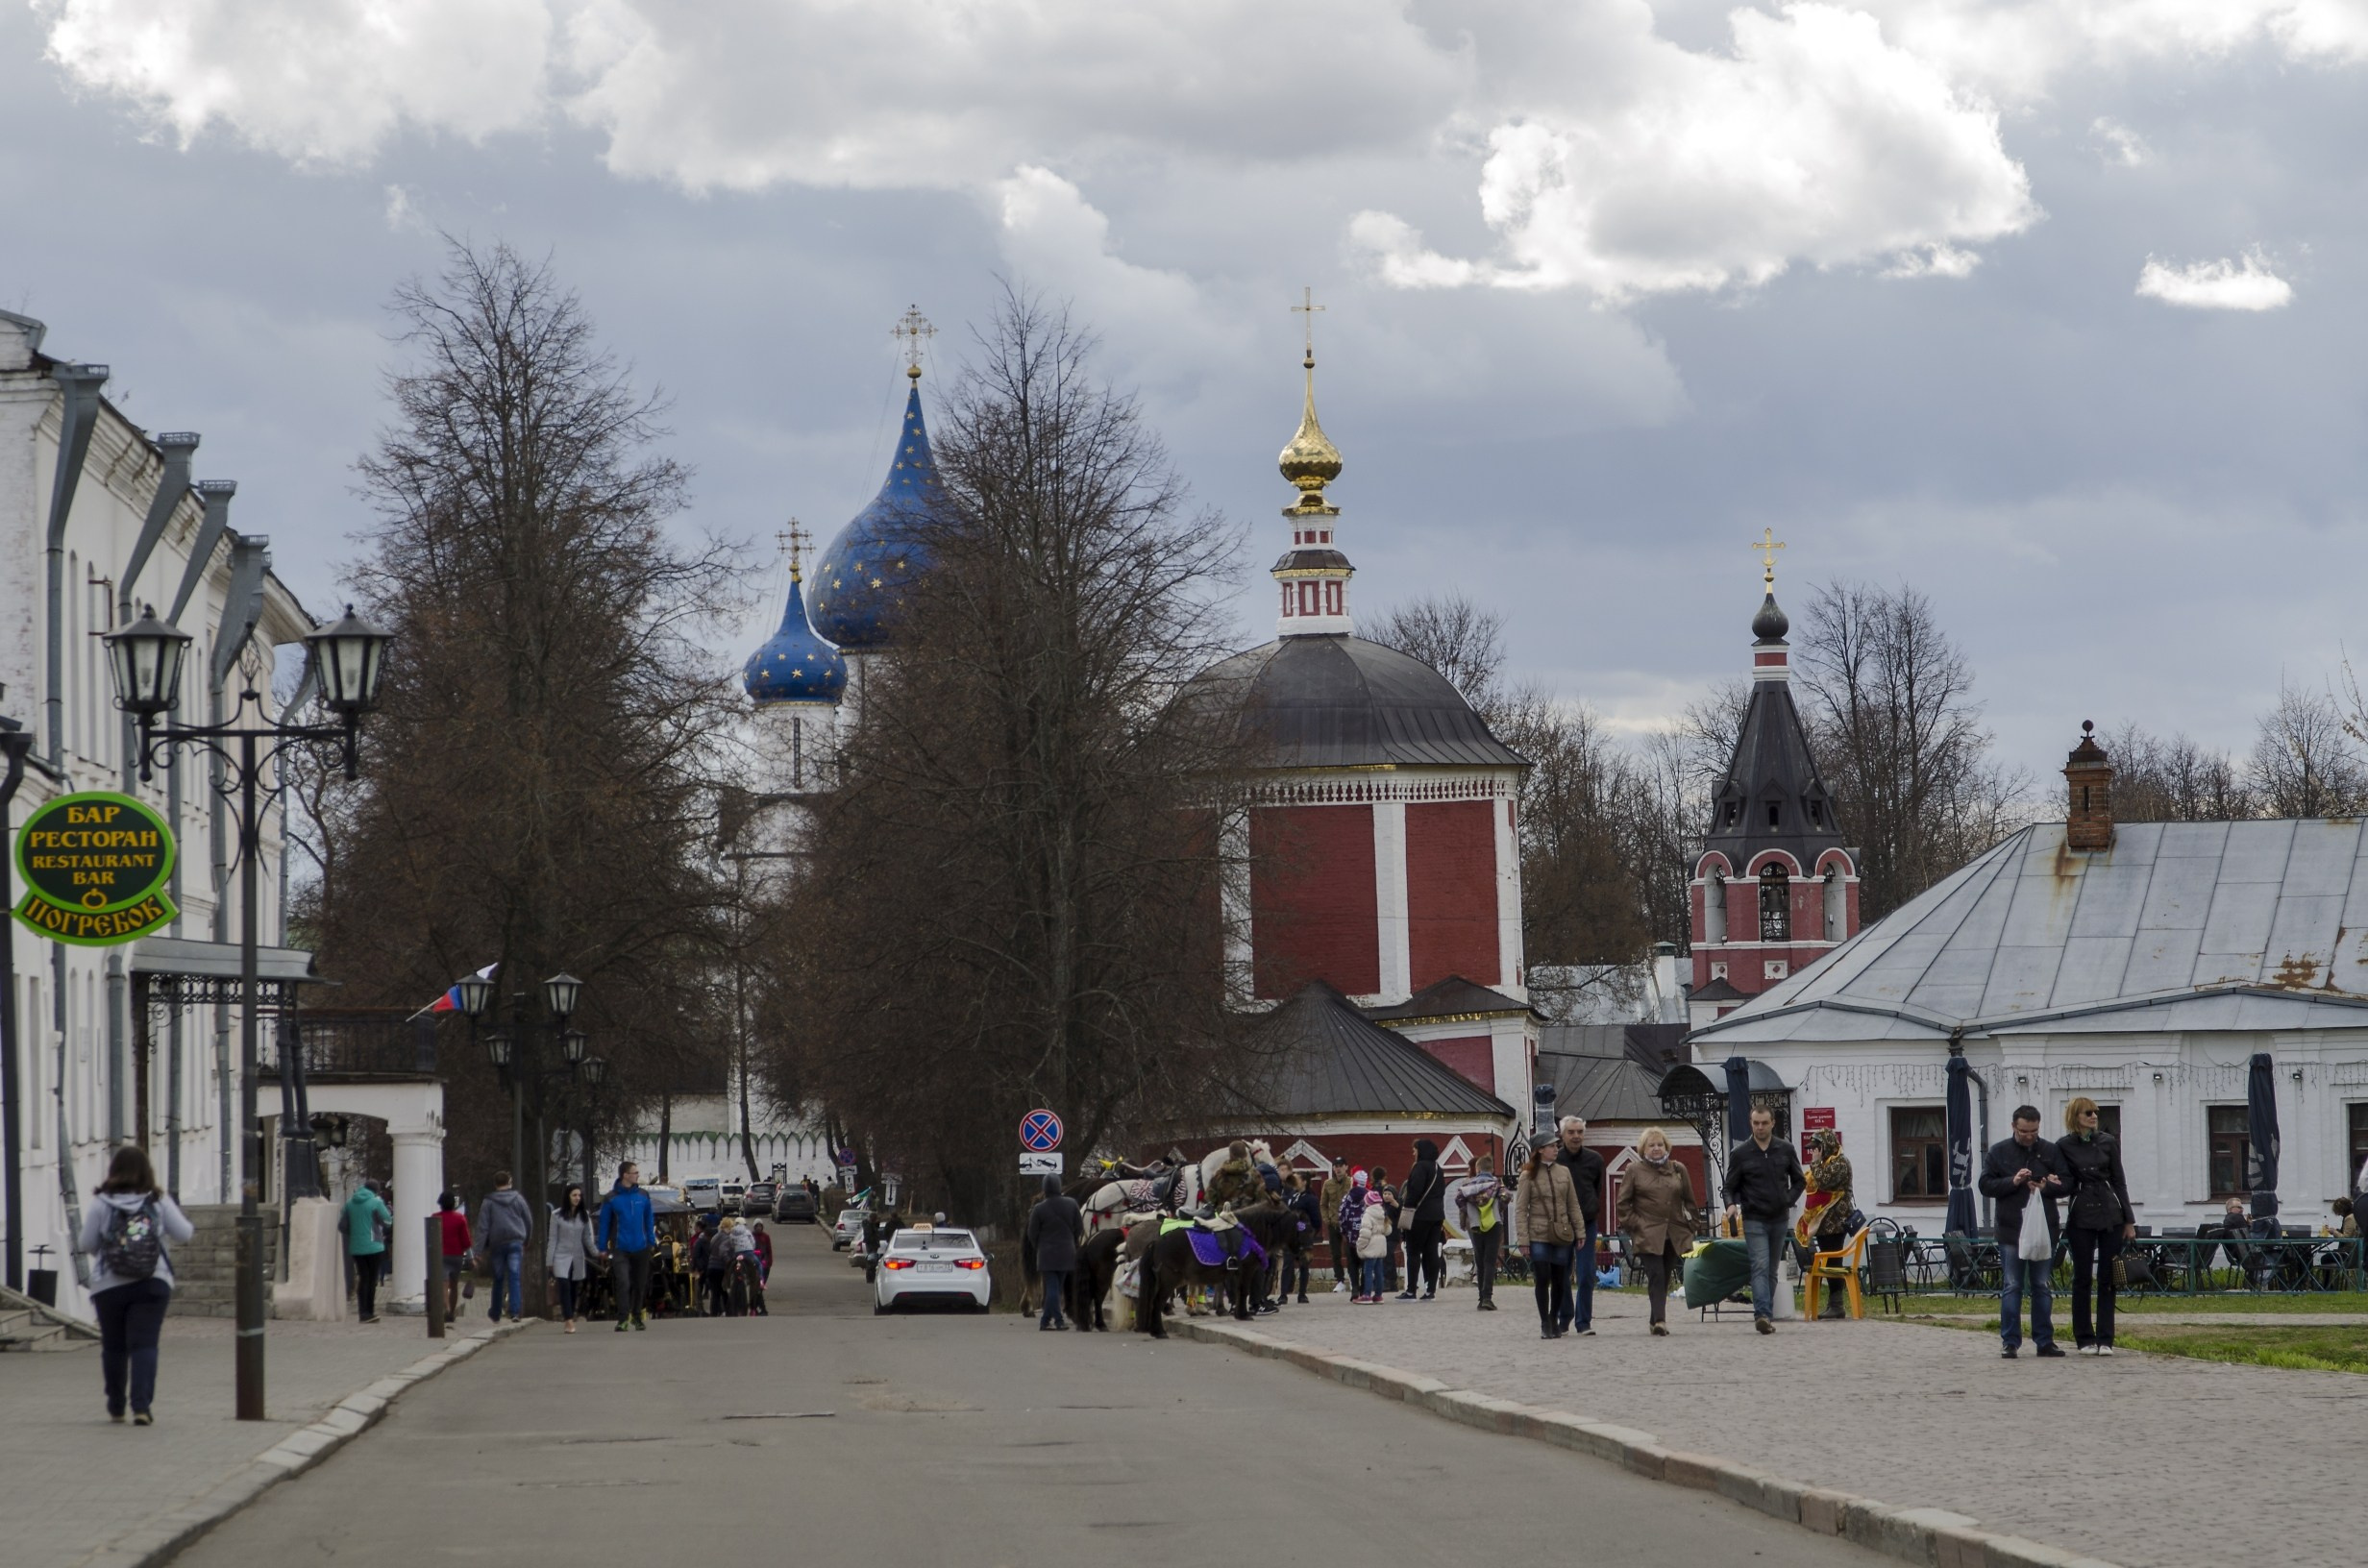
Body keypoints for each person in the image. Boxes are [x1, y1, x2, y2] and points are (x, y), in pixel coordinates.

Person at [81, 1145, 195, 1425]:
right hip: (152, 1283)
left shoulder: (101, 1203)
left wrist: (113, 1255)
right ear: (147, 1171)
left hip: (109, 1285)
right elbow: (185, 1233)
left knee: (114, 1346)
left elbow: (86, 1243)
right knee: (145, 1345)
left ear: (114, 1171)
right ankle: (141, 1407)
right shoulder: (158, 1201)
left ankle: (116, 1406)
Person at [1980, 1105, 2069, 1359]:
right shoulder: (1998, 1152)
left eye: (2033, 1131)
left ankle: (2044, 1341)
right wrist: (2014, 1181)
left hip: (2044, 1228)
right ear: (2013, 1127)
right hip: (2011, 1229)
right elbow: (1985, 1185)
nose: (2029, 1136)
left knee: (2041, 1285)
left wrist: (2046, 1186)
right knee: (2012, 1285)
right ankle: (2010, 1341)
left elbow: (2067, 1183)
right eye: (2023, 1131)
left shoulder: (2051, 1150)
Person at [2057, 1096, 2135, 1357]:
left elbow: (2119, 1180)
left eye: (2095, 1112)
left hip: (2110, 1212)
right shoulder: (2064, 1145)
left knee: (2108, 1277)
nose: (2093, 1116)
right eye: (2088, 1112)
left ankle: (2106, 1338)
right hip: (2081, 1214)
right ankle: (2084, 1338)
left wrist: (2129, 1220)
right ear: (2075, 1116)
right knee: (2081, 1278)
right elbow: (2065, 1182)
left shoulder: (2108, 1142)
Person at [1721, 1106, 1805, 1335]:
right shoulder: (1740, 1153)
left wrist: (1788, 1199)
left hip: (1779, 1218)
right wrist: (1730, 1205)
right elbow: (1729, 1187)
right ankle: (1763, 1315)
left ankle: (1765, 1312)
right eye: (1756, 1123)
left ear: (1772, 1123)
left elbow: (1800, 1181)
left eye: (1764, 1123)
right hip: (1754, 1218)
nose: (1760, 1127)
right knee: (1759, 1265)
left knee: (1771, 1270)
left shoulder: (1785, 1149)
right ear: (1751, 1123)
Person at [1616, 1128, 1697, 1336]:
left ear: (1666, 1147)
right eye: (1651, 1145)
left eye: (1660, 1145)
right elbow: (1623, 1204)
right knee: (1656, 1275)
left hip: (1673, 1231)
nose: (1656, 1149)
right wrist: (1636, 1224)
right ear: (1644, 1148)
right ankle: (1661, 1320)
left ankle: (1654, 1320)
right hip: (1647, 1232)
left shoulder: (1678, 1169)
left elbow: (1689, 1199)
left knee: (1666, 1273)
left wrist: (1692, 1224)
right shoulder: (1634, 1171)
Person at [1517, 1139, 1583, 1339]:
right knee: (1542, 1276)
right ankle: (1544, 1321)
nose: (1556, 1149)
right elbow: (1520, 1209)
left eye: (1556, 1146)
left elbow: (1573, 1204)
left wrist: (1580, 1231)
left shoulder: (1564, 1172)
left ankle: (1554, 1317)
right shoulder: (1528, 1175)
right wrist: (1523, 1239)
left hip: (1561, 1231)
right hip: (1538, 1233)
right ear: (1540, 1150)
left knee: (1559, 1278)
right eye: (1551, 1146)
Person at [1555, 1117, 1607, 1334]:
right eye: (1571, 1132)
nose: (1576, 1136)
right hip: (1562, 1224)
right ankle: (1564, 1315)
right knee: (1561, 1272)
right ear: (1562, 1135)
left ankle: (1583, 1321)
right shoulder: (1555, 1160)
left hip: (1586, 1222)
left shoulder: (1595, 1159)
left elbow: (1597, 1188)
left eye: (1579, 1132)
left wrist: (1590, 1207)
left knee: (1586, 1272)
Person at [598, 1161, 656, 1332]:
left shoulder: (643, 1195)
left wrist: (651, 1241)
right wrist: (602, 1247)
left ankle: (636, 1316)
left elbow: (649, 1219)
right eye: (635, 1172)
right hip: (620, 1247)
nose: (638, 1175)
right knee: (623, 1282)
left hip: (641, 1246)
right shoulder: (611, 1198)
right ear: (625, 1175)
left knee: (640, 1283)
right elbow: (604, 1224)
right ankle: (622, 1318)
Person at [1024, 1172, 1085, 1331]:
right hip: (1067, 1252)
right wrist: (1071, 1241)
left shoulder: (1039, 1208)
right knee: (1056, 1288)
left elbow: (1032, 1233)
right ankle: (1053, 1321)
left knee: (1052, 1287)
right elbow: (1079, 1228)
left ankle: (1051, 1321)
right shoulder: (1071, 1204)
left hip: (1046, 1253)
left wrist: (1039, 1246)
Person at [474, 1172, 532, 1324]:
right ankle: (514, 1312)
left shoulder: (488, 1202)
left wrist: (478, 1251)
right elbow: (528, 1219)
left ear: (495, 1184)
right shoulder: (518, 1199)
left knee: (498, 1278)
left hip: (497, 1244)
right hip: (515, 1241)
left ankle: (495, 1312)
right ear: (510, 1182)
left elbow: (483, 1227)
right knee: (514, 1276)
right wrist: (527, 1239)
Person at [1450, 1153, 1505, 1311]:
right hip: (1494, 1223)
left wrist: (1467, 1210)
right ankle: (1487, 1297)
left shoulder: (1468, 1186)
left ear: (1477, 1169)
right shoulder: (1496, 1184)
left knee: (1480, 1261)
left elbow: (1458, 1199)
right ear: (1492, 1169)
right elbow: (1506, 1197)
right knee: (1490, 1261)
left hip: (1475, 1224)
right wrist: (1498, 1208)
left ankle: (1481, 1298)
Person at [547, 1184, 602, 1334]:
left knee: (572, 1288)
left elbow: (588, 1239)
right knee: (563, 1285)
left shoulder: (584, 1216)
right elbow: (552, 1239)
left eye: (579, 1195)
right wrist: (549, 1261)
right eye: (574, 1195)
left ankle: (570, 1313)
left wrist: (597, 1253)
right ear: (567, 1197)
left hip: (577, 1257)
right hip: (560, 1255)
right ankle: (568, 1320)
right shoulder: (556, 1215)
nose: (577, 1198)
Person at [1397, 1138, 1447, 1301]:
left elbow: (1414, 1190)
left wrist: (1407, 1206)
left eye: (1415, 1149)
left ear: (1421, 1150)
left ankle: (1411, 1290)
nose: (1413, 1152)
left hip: (1419, 1215)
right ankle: (1430, 1290)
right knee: (1431, 1252)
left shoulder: (1420, 1167)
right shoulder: (1437, 1168)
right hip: (1437, 1216)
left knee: (1413, 1252)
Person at [342, 1179, 393, 1324]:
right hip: (374, 1245)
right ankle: (369, 1312)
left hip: (356, 1247)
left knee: (363, 1277)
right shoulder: (376, 1203)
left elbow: (342, 1225)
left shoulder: (350, 1204)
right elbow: (388, 1221)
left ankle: (361, 1311)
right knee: (372, 1279)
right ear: (376, 1190)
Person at [1284, 1170, 1323, 1305]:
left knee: (1303, 1264)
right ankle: (1283, 1294)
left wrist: (1309, 1232)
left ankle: (1302, 1294)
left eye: (1296, 1180)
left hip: (1303, 1235)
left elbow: (1316, 1220)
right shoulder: (1292, 1196)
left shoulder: (1310, 1198)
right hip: (1289, 1235)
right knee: (1287, 1264)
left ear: (1304, 1182)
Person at [435, 1191, 472, 1320]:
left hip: (440, 1255)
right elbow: (466, 1241)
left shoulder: (435, 1218)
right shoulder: (460, 1218)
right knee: (454, 1284)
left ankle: (447, 1309)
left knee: (443, 1284)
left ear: (440, 1203)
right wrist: (470, 1258)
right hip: (456, 1256)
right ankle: (451, 1313)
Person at [1320, 1159, 1353, 1293]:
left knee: (1350, 1252)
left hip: (1349, 1223)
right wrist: (1326, 1219)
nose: (1338, 1169)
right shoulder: (1328, 1184)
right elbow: (1323, 1204)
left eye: (1340, 1166)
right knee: (1335, 1254)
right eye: (1335, 1166)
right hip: (1334, 1223)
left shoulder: (1351, 1182)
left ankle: (1353, 1277)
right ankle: (1340, 1280)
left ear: (1346, 1167)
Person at [1335, 1168, 1369, 1291]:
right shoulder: (1370, 1197)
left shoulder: (1347, 1198)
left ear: (1354, 1182)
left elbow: (1341, 1215)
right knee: (1366, 1263)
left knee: (1352, 1263)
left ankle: (1354, 1288)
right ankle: (1364, 1288)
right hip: (1366, 1236)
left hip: (1350, 1237)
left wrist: (1343, 1231)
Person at [1355, 1188, 1391, 1303]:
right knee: (1379, 1271)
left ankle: (1366, 1294)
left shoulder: (1368, 1215)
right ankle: (1378, 1295)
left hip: (1371, 1244)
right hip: (1381, 1244)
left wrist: (1360, 1245)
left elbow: (1365, 1232)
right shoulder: (1382, 1213)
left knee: (1368, 1271)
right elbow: (1388, 1230)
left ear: (1367, 1203)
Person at [751, 1221, 774, 1315]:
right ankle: (757, 1309)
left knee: (759, 1288)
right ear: (754, 1227)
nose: (759, 1228)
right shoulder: (751, 1236)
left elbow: (769, 1250)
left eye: (761, 1226)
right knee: (755, 1289)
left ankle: (759, 1309)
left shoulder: (766, 1237)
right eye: (757, 1226)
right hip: (754, 1265)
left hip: (764, 1265)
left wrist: (769, 1263)